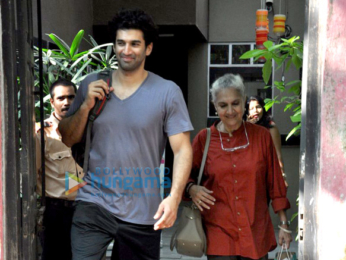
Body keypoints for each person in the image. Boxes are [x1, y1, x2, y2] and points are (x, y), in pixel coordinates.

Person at [58, 8, 193, 260]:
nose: (126, 50)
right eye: (121, 43)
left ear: (148, 48)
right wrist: (86, 105)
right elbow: (67, 138)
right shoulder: (91, 84)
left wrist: (174, 199)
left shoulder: (167, 92)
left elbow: (182, 148)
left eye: (134, 44)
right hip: (93, 201)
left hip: (143, 210)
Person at [185, 74, 292, 260]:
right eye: (222, 105)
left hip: (255, 232)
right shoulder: (204, 139)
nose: (230, 111)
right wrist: (191, 188)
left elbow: (275, 183)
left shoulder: (262, 137)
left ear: (244, 102)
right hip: (218, 233)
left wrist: (283, 224)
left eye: (235, 103)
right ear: (214, 106)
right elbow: (185, 176)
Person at [35, 79, 83, 260]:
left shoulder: (89, 128)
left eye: (71, 97)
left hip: (85, 208)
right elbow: (33, 174)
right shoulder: (43, 133)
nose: (66, 102)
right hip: (57, 211)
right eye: (61, 98)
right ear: (52, 102)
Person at [246, 95, 287, 187]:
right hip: (247, 174)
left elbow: (277, 153)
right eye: (251, 108)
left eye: (258, 107)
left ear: (263, 108)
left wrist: (282, 176)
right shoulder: (243, 127)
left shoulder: (270, 126)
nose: (255, 111)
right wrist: (248, 127)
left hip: (265, 173)